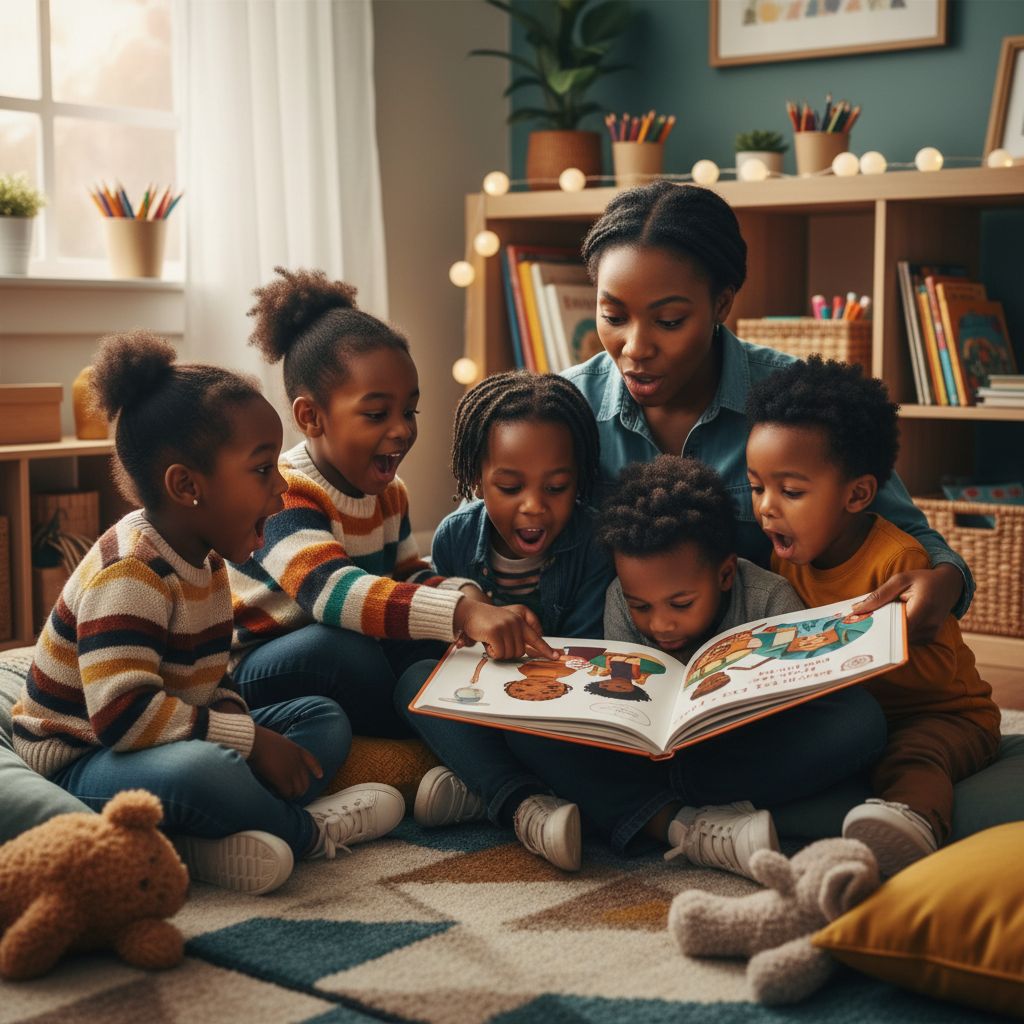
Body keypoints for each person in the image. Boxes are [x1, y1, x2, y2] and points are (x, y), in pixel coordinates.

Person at [12, 332, 404, 896]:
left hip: (166, 733)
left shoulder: (209, 561)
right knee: (205, 772)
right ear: (187, 486)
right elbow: (122, 718)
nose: (282, 486)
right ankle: (305, 831)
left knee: (321, 720)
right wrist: (248, 744)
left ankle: (204, 841)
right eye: (263, 469)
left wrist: (241, 726)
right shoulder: (131, 575)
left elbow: (209, 678)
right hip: (85, 759)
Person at [563, 180, 974, 648]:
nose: (635, 348)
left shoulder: (794, 402)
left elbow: (909, 531)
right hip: (614, 666)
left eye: (670, 321)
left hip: (760, 664)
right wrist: (462, 604)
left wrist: (947, 581)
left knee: (854, 724)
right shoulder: (568, 407)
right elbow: (480, 526)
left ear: (721, 303)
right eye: (614, 317)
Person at [488, 454, 888, 881]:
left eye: (681, 604)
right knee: (525, 725)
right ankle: (696, 817)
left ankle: (642, 805)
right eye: (641, 605)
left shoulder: (770, 599)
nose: (660, 624)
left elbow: (798, 704)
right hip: (647, 759)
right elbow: (623, 693)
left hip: (742, 754)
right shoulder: (617, 600)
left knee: (861, 721)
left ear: (725, 575)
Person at [230, 269, 552, 739]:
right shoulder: (284, 492)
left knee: (429, 643)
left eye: (410, 410)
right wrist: (460, 616)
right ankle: (416, 742)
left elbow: (405, 576)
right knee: (343, 648)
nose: (401, 429)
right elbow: (332, 593)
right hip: (264, 663)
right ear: (311, 417)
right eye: (377, 414)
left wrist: (467, 597)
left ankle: (453, 732)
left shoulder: (391, 492)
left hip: (347, 647)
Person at [745, 355, 1001, 875]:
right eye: (756, 487)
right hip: (855, 717)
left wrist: (857, 656)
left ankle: (912, 823)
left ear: (857, 494)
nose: (768, 506)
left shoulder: (896, 562)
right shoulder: (785, 558)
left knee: (911, 757)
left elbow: (940, 672)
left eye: (790, 491)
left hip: (942, 715)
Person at [394, 371, 612, 871]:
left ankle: (483, 784)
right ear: (475, 479)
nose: (533, 507)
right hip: (482, 697)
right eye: (509, 486)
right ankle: (520, 801)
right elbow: (449, 648)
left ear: (578, 479)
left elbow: (583, 654)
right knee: (411, 681)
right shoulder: (453, 537)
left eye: (557, 487)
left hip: (553, 705)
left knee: (532, 737)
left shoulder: (593, 541)